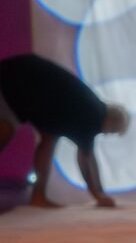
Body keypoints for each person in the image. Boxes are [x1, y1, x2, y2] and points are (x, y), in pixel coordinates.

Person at [0, 53, 129, 208]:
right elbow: (85, 159)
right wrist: (98, 195)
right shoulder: (92, 118)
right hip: (14, 80)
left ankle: (38, 196)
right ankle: (38, 196)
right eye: (112, 132)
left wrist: (100, 192)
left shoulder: (90, 109)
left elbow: (88, 155)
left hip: (22, 80)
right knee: (6, 131)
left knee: (48, 140)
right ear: (111, 122)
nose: (106, 135)